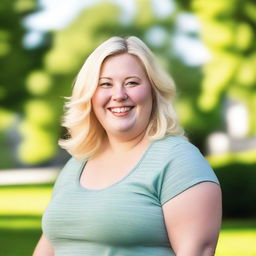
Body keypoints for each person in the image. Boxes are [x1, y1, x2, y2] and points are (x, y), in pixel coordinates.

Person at [33, 36, 222, 256]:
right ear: (90, 95)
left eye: (131, 82)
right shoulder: (77, 164)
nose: (119, 95)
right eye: (105, 84)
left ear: (153, 90)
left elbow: (197, 251)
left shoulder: (179, 161)